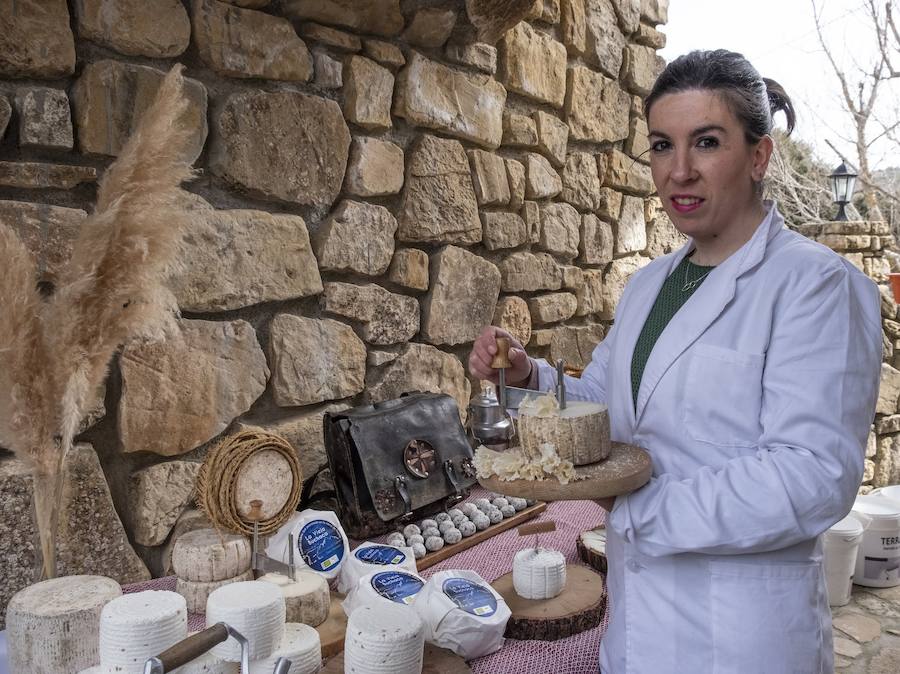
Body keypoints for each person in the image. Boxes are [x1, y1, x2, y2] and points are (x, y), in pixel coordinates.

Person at [469, 49, 882, 673]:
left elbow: (812, 476)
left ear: (759, 156)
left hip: (741, 641)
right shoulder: (649, 286)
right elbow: (605, 404)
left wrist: (639, 510)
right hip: (637, 633)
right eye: (663, 145)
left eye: (707, 142)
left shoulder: (815, 286)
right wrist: (528, 378)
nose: (679, 171)